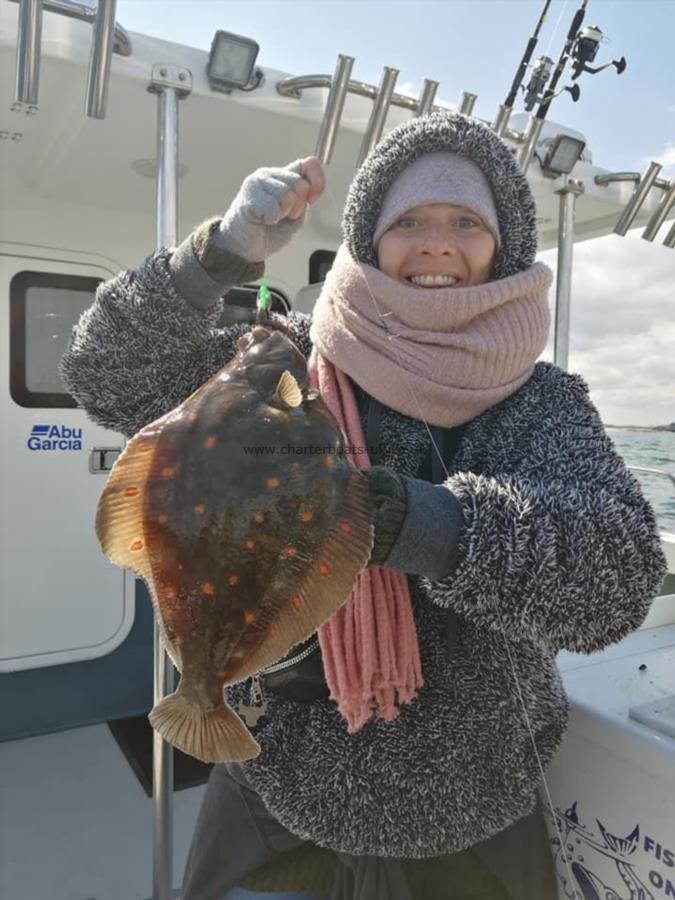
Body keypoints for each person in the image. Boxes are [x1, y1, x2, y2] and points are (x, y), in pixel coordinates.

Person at [61, 112, 667, 900]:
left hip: (464, 808)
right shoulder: (282, 362)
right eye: (407, 220)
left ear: (503, 246)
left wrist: (423, 524)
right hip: (279, 778)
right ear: (368, 238)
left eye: (465, 222)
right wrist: (217, 256)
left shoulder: (539, 403)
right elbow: (103, 371)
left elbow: (615, 575)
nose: (435, 242)